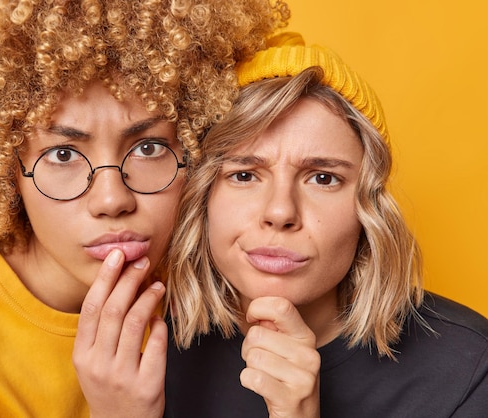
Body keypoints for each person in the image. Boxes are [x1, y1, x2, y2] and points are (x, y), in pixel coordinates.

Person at [0, 0, 286, 416]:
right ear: (6, 166)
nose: (112, 199)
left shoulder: (214, 282)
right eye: (62, 155)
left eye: (149, 147)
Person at [164, 32, 488, 417]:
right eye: (245, 175)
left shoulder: (467, 366)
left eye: (322, 178)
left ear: (368, 208)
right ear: (204, 195)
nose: (281, 212)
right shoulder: (142, 347)